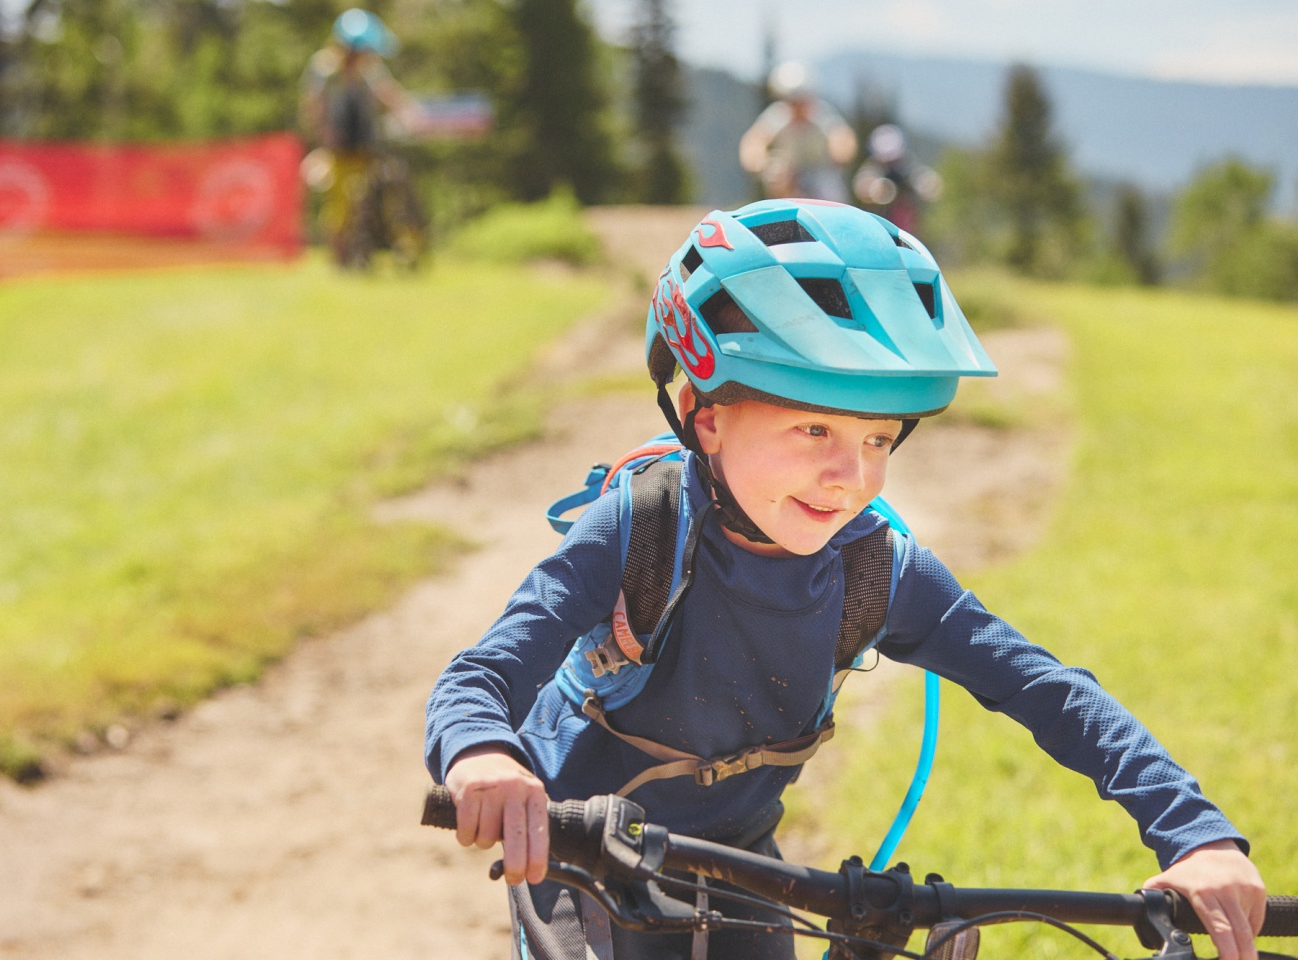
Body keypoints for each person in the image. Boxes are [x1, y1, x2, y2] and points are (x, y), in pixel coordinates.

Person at [424, 200, 1266, 960]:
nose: (848, 477)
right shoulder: (640, 530)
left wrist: (1195, 833)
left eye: (876, 440)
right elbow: (480, 677)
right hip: (583, 867)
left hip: (743, 868)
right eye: (814, 427)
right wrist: (485, 756)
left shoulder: (875, 570)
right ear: (707, 421)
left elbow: (1047, 689)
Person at [298, 8, 419, 264]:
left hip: (366, 146)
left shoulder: (368, 69)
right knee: (340, 206)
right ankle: (339, 256)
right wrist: (323, 137)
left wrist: (409, 112)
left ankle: (381, 247)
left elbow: (388, 94)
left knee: (378, 196)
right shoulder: (325, 69)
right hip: (338, 149)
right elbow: (313, 105)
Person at [739, 62, 857, 202]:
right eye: (791, 101)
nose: (796, 106)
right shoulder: (777, 116)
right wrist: (760, 161)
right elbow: (755, 140)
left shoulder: (821, 115)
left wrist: (840, 152)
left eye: (800, 100)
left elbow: (842, 138)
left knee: (829, 190)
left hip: (821, 175)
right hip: (789, 175)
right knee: (776, 172)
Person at [852, 123, 943, 234]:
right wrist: (878, 190)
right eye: (886, 161)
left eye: (894, 159)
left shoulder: (908, 168)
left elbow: (932, 187)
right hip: (878, 228)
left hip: (908, 229)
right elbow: (862, 188)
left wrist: (920, 186)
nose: (891, 164)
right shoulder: (872, 169)